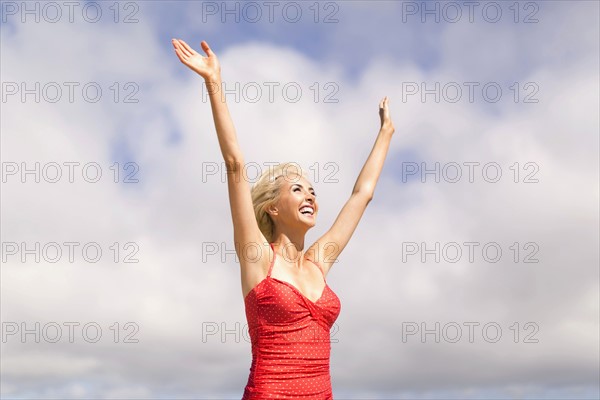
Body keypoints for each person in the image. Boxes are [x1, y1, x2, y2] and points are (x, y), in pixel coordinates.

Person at [172, 38, 395, 399]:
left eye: (312, 192)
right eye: (297, 190)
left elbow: (362, 195)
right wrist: (213, 82)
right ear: (272, 208)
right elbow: (235, 165)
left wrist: (385, 134)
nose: (309, 196)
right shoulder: (258, 257)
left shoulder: (318, 263)